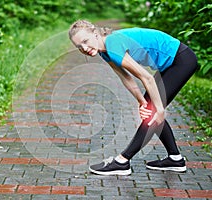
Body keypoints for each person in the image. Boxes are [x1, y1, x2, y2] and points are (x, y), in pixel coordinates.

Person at [68, 20, 199, 176]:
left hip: (181, 60)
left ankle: (122, 161)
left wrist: (160, 109)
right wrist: (142, 102)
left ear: (95, 33)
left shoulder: (113, 45)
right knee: (150, 110)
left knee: (153, 111)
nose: (84, 48)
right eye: (79, 47)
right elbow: (126, 78)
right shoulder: (104, 50)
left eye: (85, 41)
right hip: (172, 62)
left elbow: (147, 78)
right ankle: (175, 158)